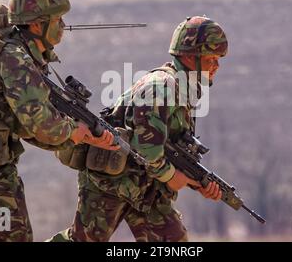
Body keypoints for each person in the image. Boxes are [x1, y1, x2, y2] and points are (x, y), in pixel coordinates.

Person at [0, 0, 117, 242]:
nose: (63, 26)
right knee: (12, 237)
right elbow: (41, 125)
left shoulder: (27, 54)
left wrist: (79, 135)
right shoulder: (16, 59)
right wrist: (76, 132)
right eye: (57, 19)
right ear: (37, 24)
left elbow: (27, 127)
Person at [50, 16, 228, 242]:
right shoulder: (161, 87)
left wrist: (199, 183)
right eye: (211, 58)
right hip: (112, 181)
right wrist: (172, 176)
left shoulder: (184, 90)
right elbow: (147, 149)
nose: (216, 66)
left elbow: (173, 150)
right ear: (190, 56)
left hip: (147, 187)